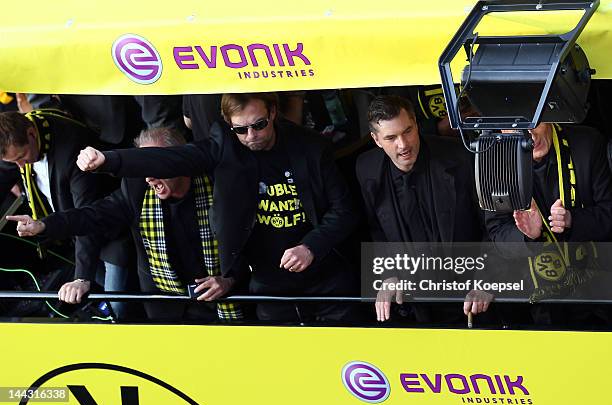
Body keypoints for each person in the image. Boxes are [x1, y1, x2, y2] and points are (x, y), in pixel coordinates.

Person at [74, 92, 359, 322]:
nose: (251, 136)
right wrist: (110, 161)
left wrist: (310, 247)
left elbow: (344, 210)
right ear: (229, 125)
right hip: (268, 283)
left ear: (273, 112)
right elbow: (171, 159)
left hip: (326, 275)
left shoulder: (309, 146)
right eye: (241, 129)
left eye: (259, 125)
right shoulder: (225, 145)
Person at [8, 127, 241, 322]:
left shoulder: (218, 185)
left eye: (155, 166)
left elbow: (248, 242)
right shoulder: (136, 190)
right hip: (165, 311)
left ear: (176, 160)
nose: (149, 177)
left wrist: (230, 279)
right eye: (143, 167)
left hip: (224, 307)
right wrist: (43, 225)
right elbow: (93, 215)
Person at [355, 95, 484, 322]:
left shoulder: (461, 158)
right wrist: (389, 274)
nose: (403, 144)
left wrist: (486, 280)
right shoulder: (366, 169)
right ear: (376, 140)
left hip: (470, 296)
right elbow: (374, 229)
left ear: (416, 124)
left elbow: (490, 225)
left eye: (407, 131)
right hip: (413, 303)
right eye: (391, 137)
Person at [485, 122, 612, 325]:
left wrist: (573, 219)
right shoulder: (495, 162)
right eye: (517, 129)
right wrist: (527, 235)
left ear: (549, 117)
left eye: (533, 124)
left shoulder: (586, 143)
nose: (530, 136)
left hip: (597, 287)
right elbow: (497, 233)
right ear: (503, 131)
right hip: (539, 300)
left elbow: (608, 212)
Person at [0, 109, 122, 306]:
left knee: (119, 307)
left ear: (31, 134)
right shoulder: (18, 143)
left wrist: (81, 278)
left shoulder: (74, 149)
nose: (21, 167)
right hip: (72, 236)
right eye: (14, 162)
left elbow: (87, 215)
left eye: (22, 157)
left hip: (110, 237)